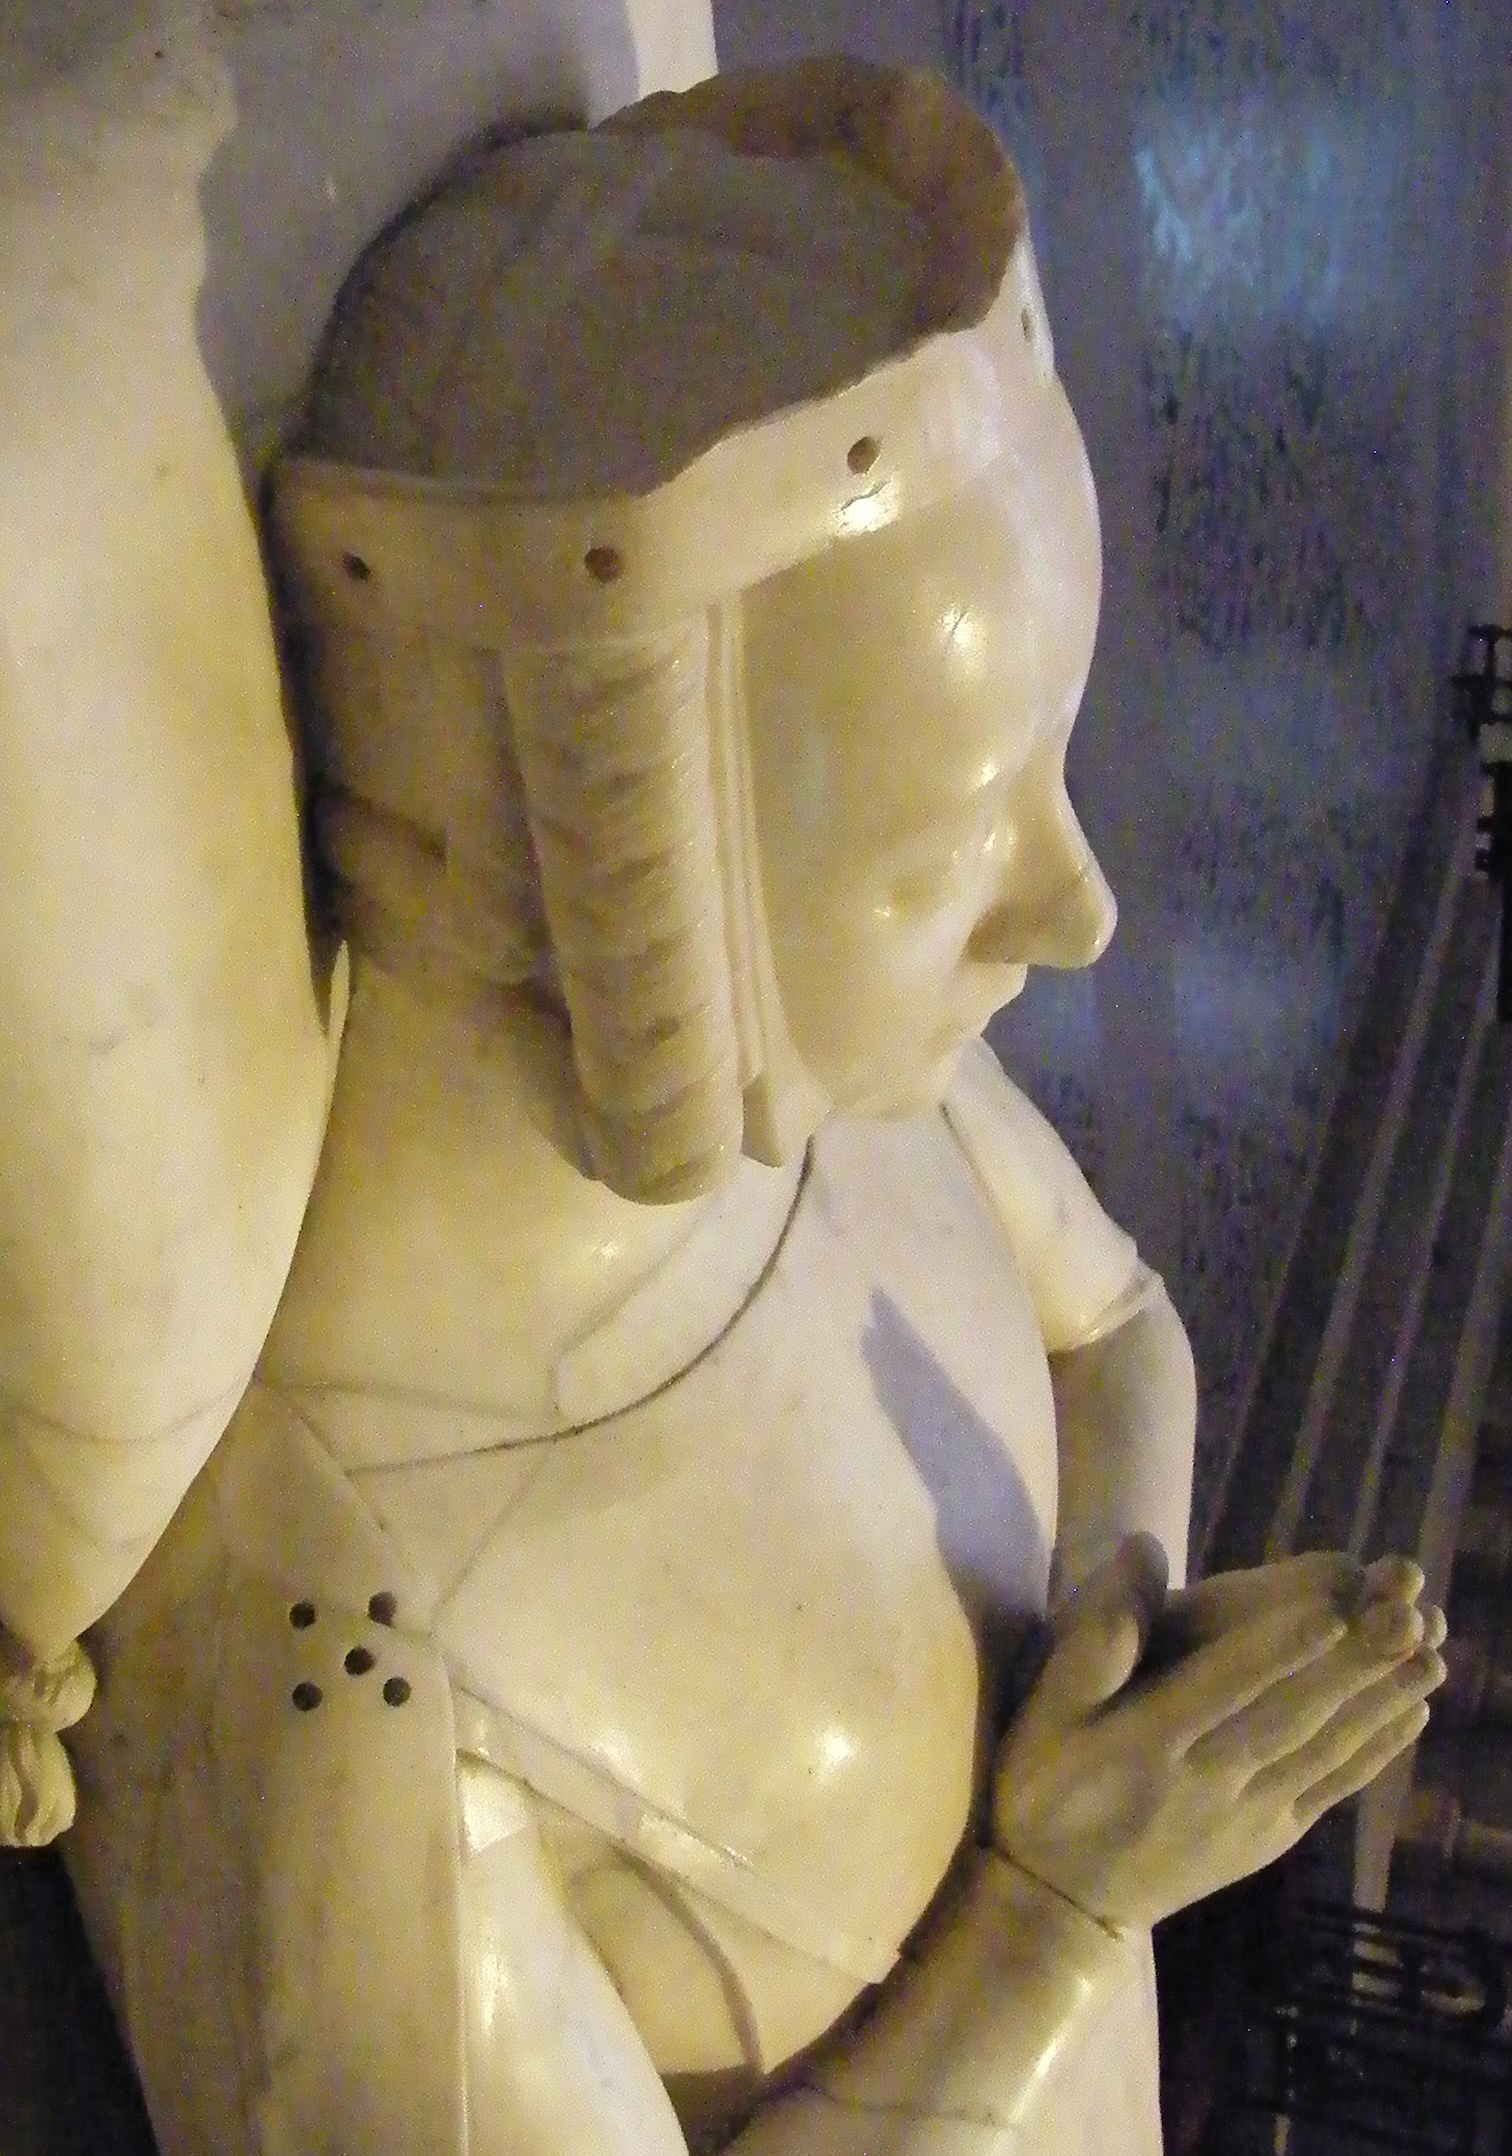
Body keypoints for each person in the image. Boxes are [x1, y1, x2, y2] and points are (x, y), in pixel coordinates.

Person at [1, 55, 1442, 2156]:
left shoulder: (839, 1103)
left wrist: (1106, 1649)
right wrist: (1056, 1910)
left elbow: (1122, 1326)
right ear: (623, 911)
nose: (1080, 906)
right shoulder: (347, 1674)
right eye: (941, 853)